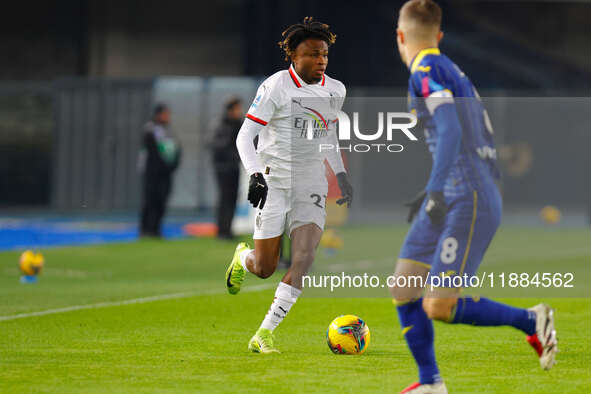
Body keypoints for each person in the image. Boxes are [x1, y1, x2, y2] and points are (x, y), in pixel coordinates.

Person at [391, 1, 557, 393]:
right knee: (404, 286)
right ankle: (431, 384)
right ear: (440, 35)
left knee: (438, 305)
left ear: (400, 36)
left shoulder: (426, 69)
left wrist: (435, 190)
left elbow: (449, 130)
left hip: (466, 195)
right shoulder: (448, 67)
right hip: (459, 189)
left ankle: (532, 321)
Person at [224, 17, 353, 353]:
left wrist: (339, 175)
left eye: (324, 54)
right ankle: (243, 258)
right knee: (265, 268)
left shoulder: (335, 89)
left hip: (311, 180)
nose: (321, 60)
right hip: (275, 179)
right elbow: (245, 136)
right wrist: (255, 173)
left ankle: (264, 333)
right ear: (293, 57)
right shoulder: (277, 85)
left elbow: (328, 136)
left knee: (304, 259)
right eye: (312, 54)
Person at [138, 103, 181, 238]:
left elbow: (177, 148)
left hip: (165, 172)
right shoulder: (150, 129)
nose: (168, 117)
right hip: (152, 173)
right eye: (165, 114)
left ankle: (156, 230)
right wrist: (164, 165)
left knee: (161, 201)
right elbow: (152, 152)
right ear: (158, 114)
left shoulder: (168, 130)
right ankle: (146, 230)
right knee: (150, 201)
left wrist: (173, 165)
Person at [210, 97, 244, 240]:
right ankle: (222, 231)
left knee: (232, 198)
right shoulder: (220, 125)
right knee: (225, 198)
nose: (240, 111)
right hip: (223, 168)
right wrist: (234, 155)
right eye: (238, 108)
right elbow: (217, 146)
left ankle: (228, 229)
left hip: (233, 167)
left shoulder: (239, 124)